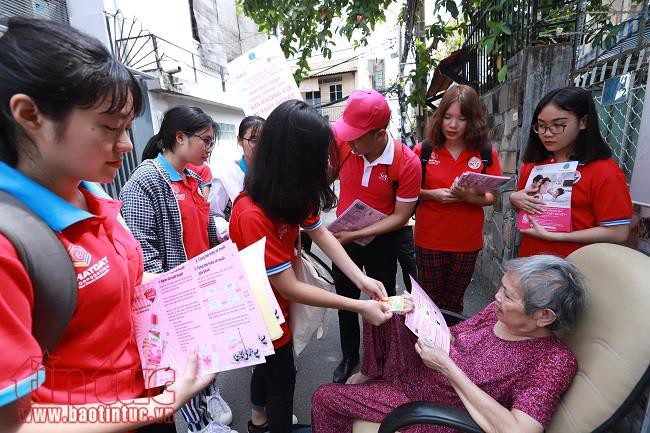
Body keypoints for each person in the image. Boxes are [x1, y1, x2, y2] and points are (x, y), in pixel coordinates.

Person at [0, 17, 213, 432]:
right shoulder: (9, 243)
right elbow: (15, 423)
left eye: (128, 128)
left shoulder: (94, 195)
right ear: (29, 115)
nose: (127, 145)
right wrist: (154, 407)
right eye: (111, 128)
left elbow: (126, 285)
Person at [228, 100, 393, 433]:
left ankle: (258, 420)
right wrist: (358, 306)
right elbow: (287, 285)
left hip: (278, 301)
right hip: (259, 308)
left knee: (269, 367)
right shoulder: (251, 214)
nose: (325, 163)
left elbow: (319, 230)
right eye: (318, 155)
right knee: (282, 375)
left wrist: (361, 278)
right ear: (294, 157)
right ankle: (271, 424)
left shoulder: (289, 191)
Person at [312, 254, 587, 433]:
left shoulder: (552, 361)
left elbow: (519, 430)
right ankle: (371, 374)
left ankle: (375, 382)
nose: (496, 296)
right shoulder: (497, 312)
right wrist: (419, 315)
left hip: (436, 407)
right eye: (502, 287)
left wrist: (447, 368)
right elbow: (455, 335)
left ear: (544, 316)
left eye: (508, 295)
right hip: (422, 371)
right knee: (386, 308)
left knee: (325, 399)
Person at [119, 107, 232, 433]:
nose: (209, 148)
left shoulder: (194, 178)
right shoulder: (144, 182)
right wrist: (174, 297)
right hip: (177, 294)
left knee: (207, 357)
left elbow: (206, 229)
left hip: (204, 285)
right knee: (184, 365)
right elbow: (145, 254)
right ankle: (201, 425)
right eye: (206, 140)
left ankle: (211, 402)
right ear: (180, 137)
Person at [330, 89, 422, 383]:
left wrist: (358, 232)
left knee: (383, 300)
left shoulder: (406, 163)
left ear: (380, 133)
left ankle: (380, 359)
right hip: (343, 239)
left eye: (357, 136)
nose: (350, 141)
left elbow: (401, 216)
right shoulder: (346, 148)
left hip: (381, 240)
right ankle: (349, 356)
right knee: (345, 299)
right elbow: (327, 177)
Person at [510, 87, 633, 257]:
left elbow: (618, 232)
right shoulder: (533, 165)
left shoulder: (605, 172)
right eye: (542, 126)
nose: (547, 133)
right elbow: (527, 209)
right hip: (529, 262)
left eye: (558, 125)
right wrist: (514, 199)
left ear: (583, 122)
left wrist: (557, 236)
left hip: (574, 267)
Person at [413, 85, 502, 313]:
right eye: (447, 117)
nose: (452, 125)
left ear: (472, 120)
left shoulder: (484, 152)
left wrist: (470, 197)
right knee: (429, 303)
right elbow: (407, 192)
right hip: (429, 238)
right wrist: (433, 195)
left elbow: (493, 196)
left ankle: (451, 348)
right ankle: (427, 347)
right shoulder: (423, 151)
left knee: (454, 302)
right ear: (439, 117)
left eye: (461, 118)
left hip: (466, 241)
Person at [208, 115, 265, 242]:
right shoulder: (225, 175)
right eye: (254, 140)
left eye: (265, 140)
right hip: (239, 248)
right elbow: (213, 216)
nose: (260, 146)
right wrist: (237, 231)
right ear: (239, 140)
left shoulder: (272, 174)